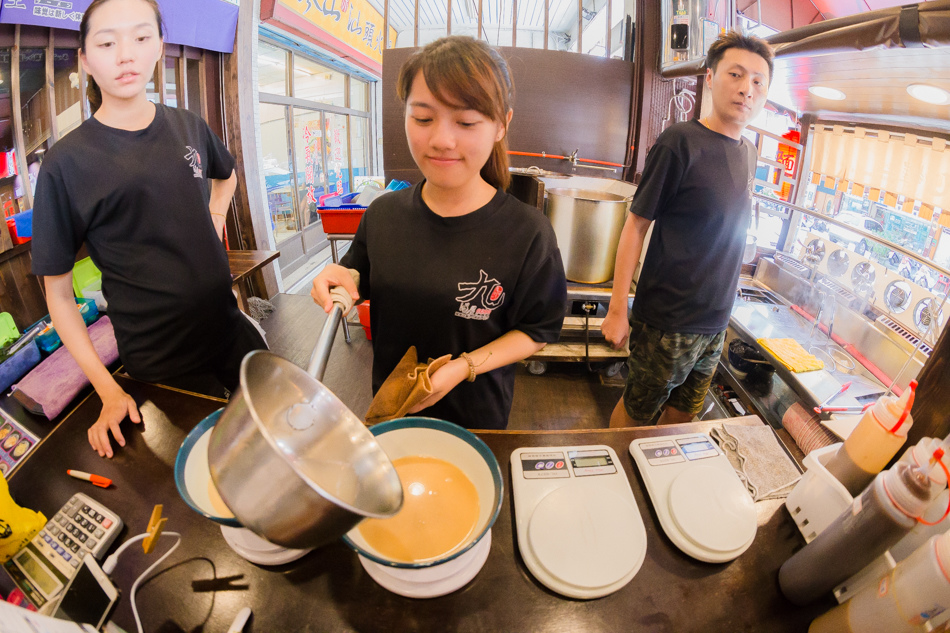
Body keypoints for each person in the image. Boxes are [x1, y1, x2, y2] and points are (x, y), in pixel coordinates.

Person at [31, 0, 266, 458]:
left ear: (159, 45)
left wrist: (214, 221)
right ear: (84, 58)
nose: (126, 55)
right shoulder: (66, 163)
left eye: (141, 38)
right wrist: (107, 390)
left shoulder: (188, 125)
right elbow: (57, 296)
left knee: (273, 445)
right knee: (213, 473)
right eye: (107, 42)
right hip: (161, 363)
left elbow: (227, 175)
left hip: (230, 327)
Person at [311, 36, 567, 430]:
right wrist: (340, 280)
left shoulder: (528, 232)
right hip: (392, 410)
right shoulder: (382, 214)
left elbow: (536, 332)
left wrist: (462, 367)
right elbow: (357, 272)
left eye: (466, 122)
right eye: (423, 118)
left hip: (476, 419)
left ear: (502, 125)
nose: (441, 140)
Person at [601, 31, 773, 427]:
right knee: (637, 411)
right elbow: (635, 226)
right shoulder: (679, 142)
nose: (747, 89)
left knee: (682, 416)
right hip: (667, 321)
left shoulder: (749, 152)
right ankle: (613, 478)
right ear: (710, 78)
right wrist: (616, 309)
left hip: (716, 321)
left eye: (758, 81)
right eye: (736, 74)